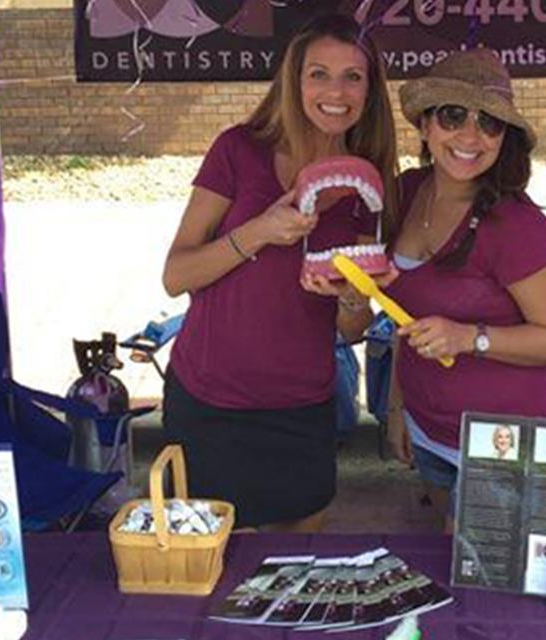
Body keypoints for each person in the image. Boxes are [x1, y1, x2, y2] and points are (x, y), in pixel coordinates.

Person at [160, 13, 399, 532]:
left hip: (302, 406)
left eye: (352, 77)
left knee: (295, 569)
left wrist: (354, 297)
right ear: (294, 81)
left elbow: (349, 329)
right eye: (318, 73)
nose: (335, 91)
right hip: (208, 399)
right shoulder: (239, 149)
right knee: (209, 567)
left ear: (369, 90)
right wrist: (261, 231)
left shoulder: (367, 183)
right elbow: (177, 275)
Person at [381, 48, 546, 531]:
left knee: (484, 590)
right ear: (426, 124)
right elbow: (403, 320)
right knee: (450, 565)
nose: (471, 136)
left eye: (489, 123)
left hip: (505, 443)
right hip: (429, 432)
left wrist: (470, 336)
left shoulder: (515, 224)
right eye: (453, 116)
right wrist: (397, 408)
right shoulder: (406, 193)